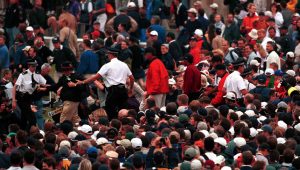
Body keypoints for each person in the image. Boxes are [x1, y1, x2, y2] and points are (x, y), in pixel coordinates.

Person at [79, 48, 134, 120]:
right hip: (123, 90)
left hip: (113, 91)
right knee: (123, 111)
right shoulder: (124, 65)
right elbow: (132, 78)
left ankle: (114, 125)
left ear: (110, 55)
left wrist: (83, 82)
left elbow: (95, 77)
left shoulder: (107, 65)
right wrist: (130, 89)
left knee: (110, 111)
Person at [12, 59, 47, 130]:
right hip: (22, 98)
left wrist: (44, 87)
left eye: (35, 66)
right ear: (29, 66)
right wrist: (13, 100)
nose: (34, 68)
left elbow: (44, 84)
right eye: (32, 66)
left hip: (30, 98)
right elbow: (14, 87)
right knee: (32, 118)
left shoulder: (37, 74)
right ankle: (32, 131)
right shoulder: (23, 75)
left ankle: (22, 132)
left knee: (24, 118)